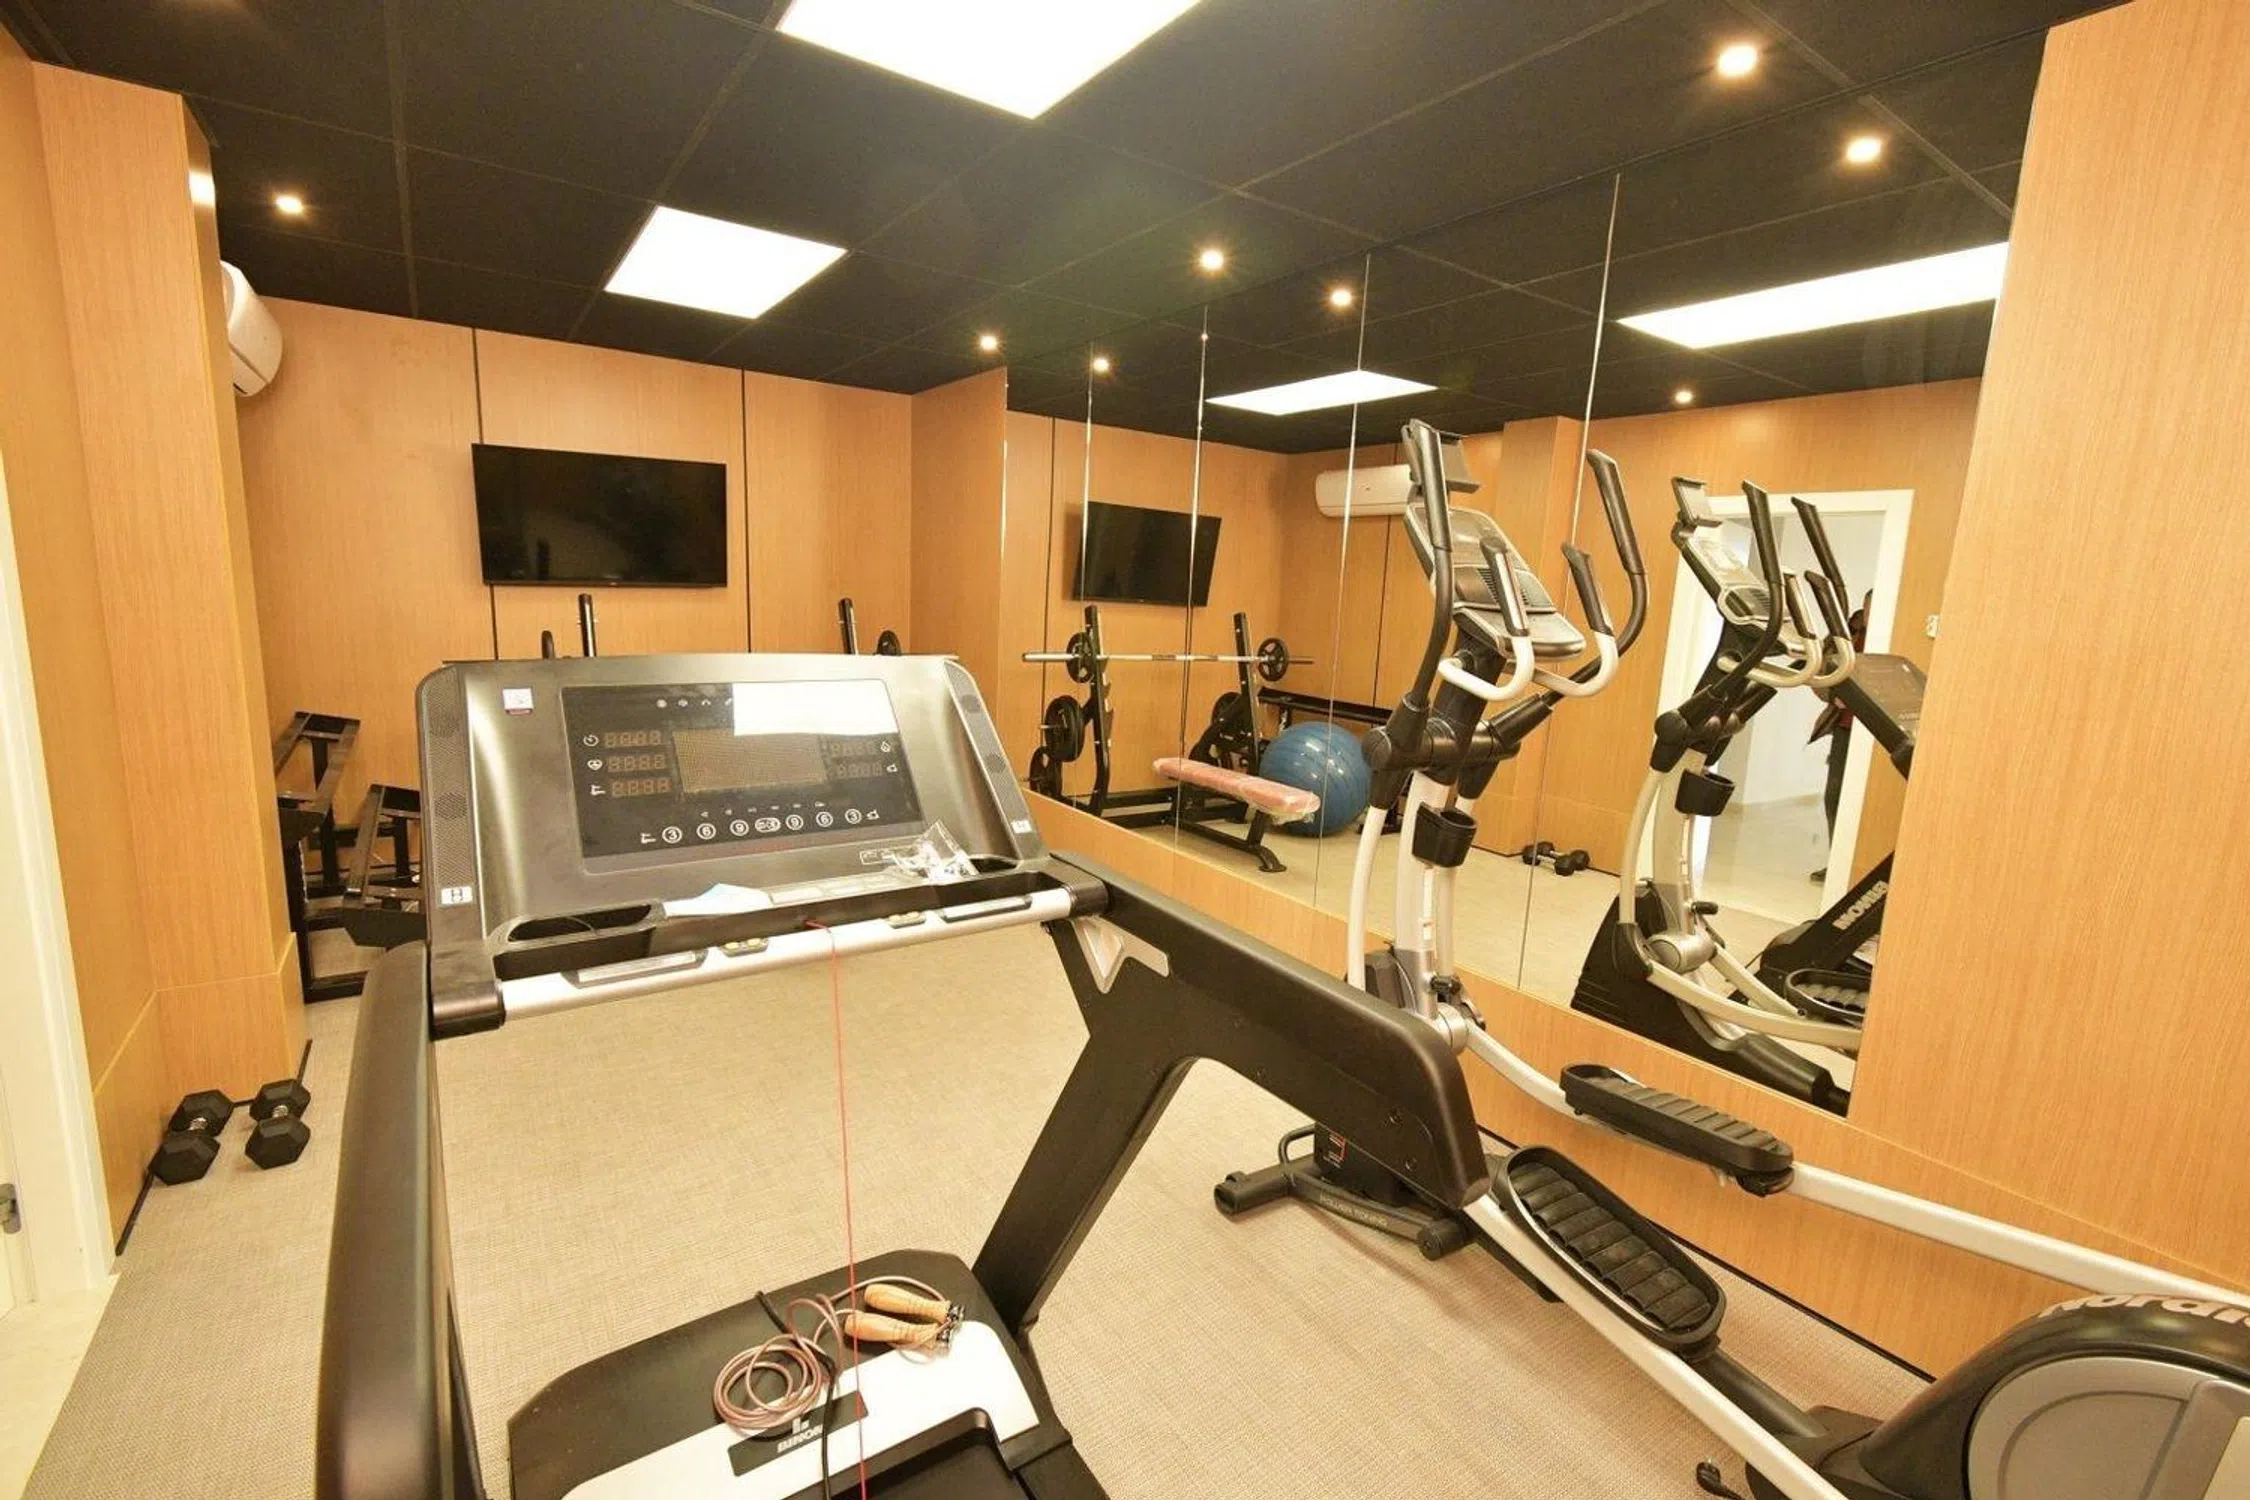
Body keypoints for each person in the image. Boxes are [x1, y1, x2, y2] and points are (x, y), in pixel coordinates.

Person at [1809, 592, 1871, 881]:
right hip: (1845, 728)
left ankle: (1857, 865)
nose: (1871, 614)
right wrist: (1832, 695)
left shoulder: (1891, 635)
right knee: (1835, 795)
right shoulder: (1844, 633)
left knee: (1865, 799)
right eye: (1869, 608)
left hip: (1875, 731)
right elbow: (1818, 669)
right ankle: (1837, 863)